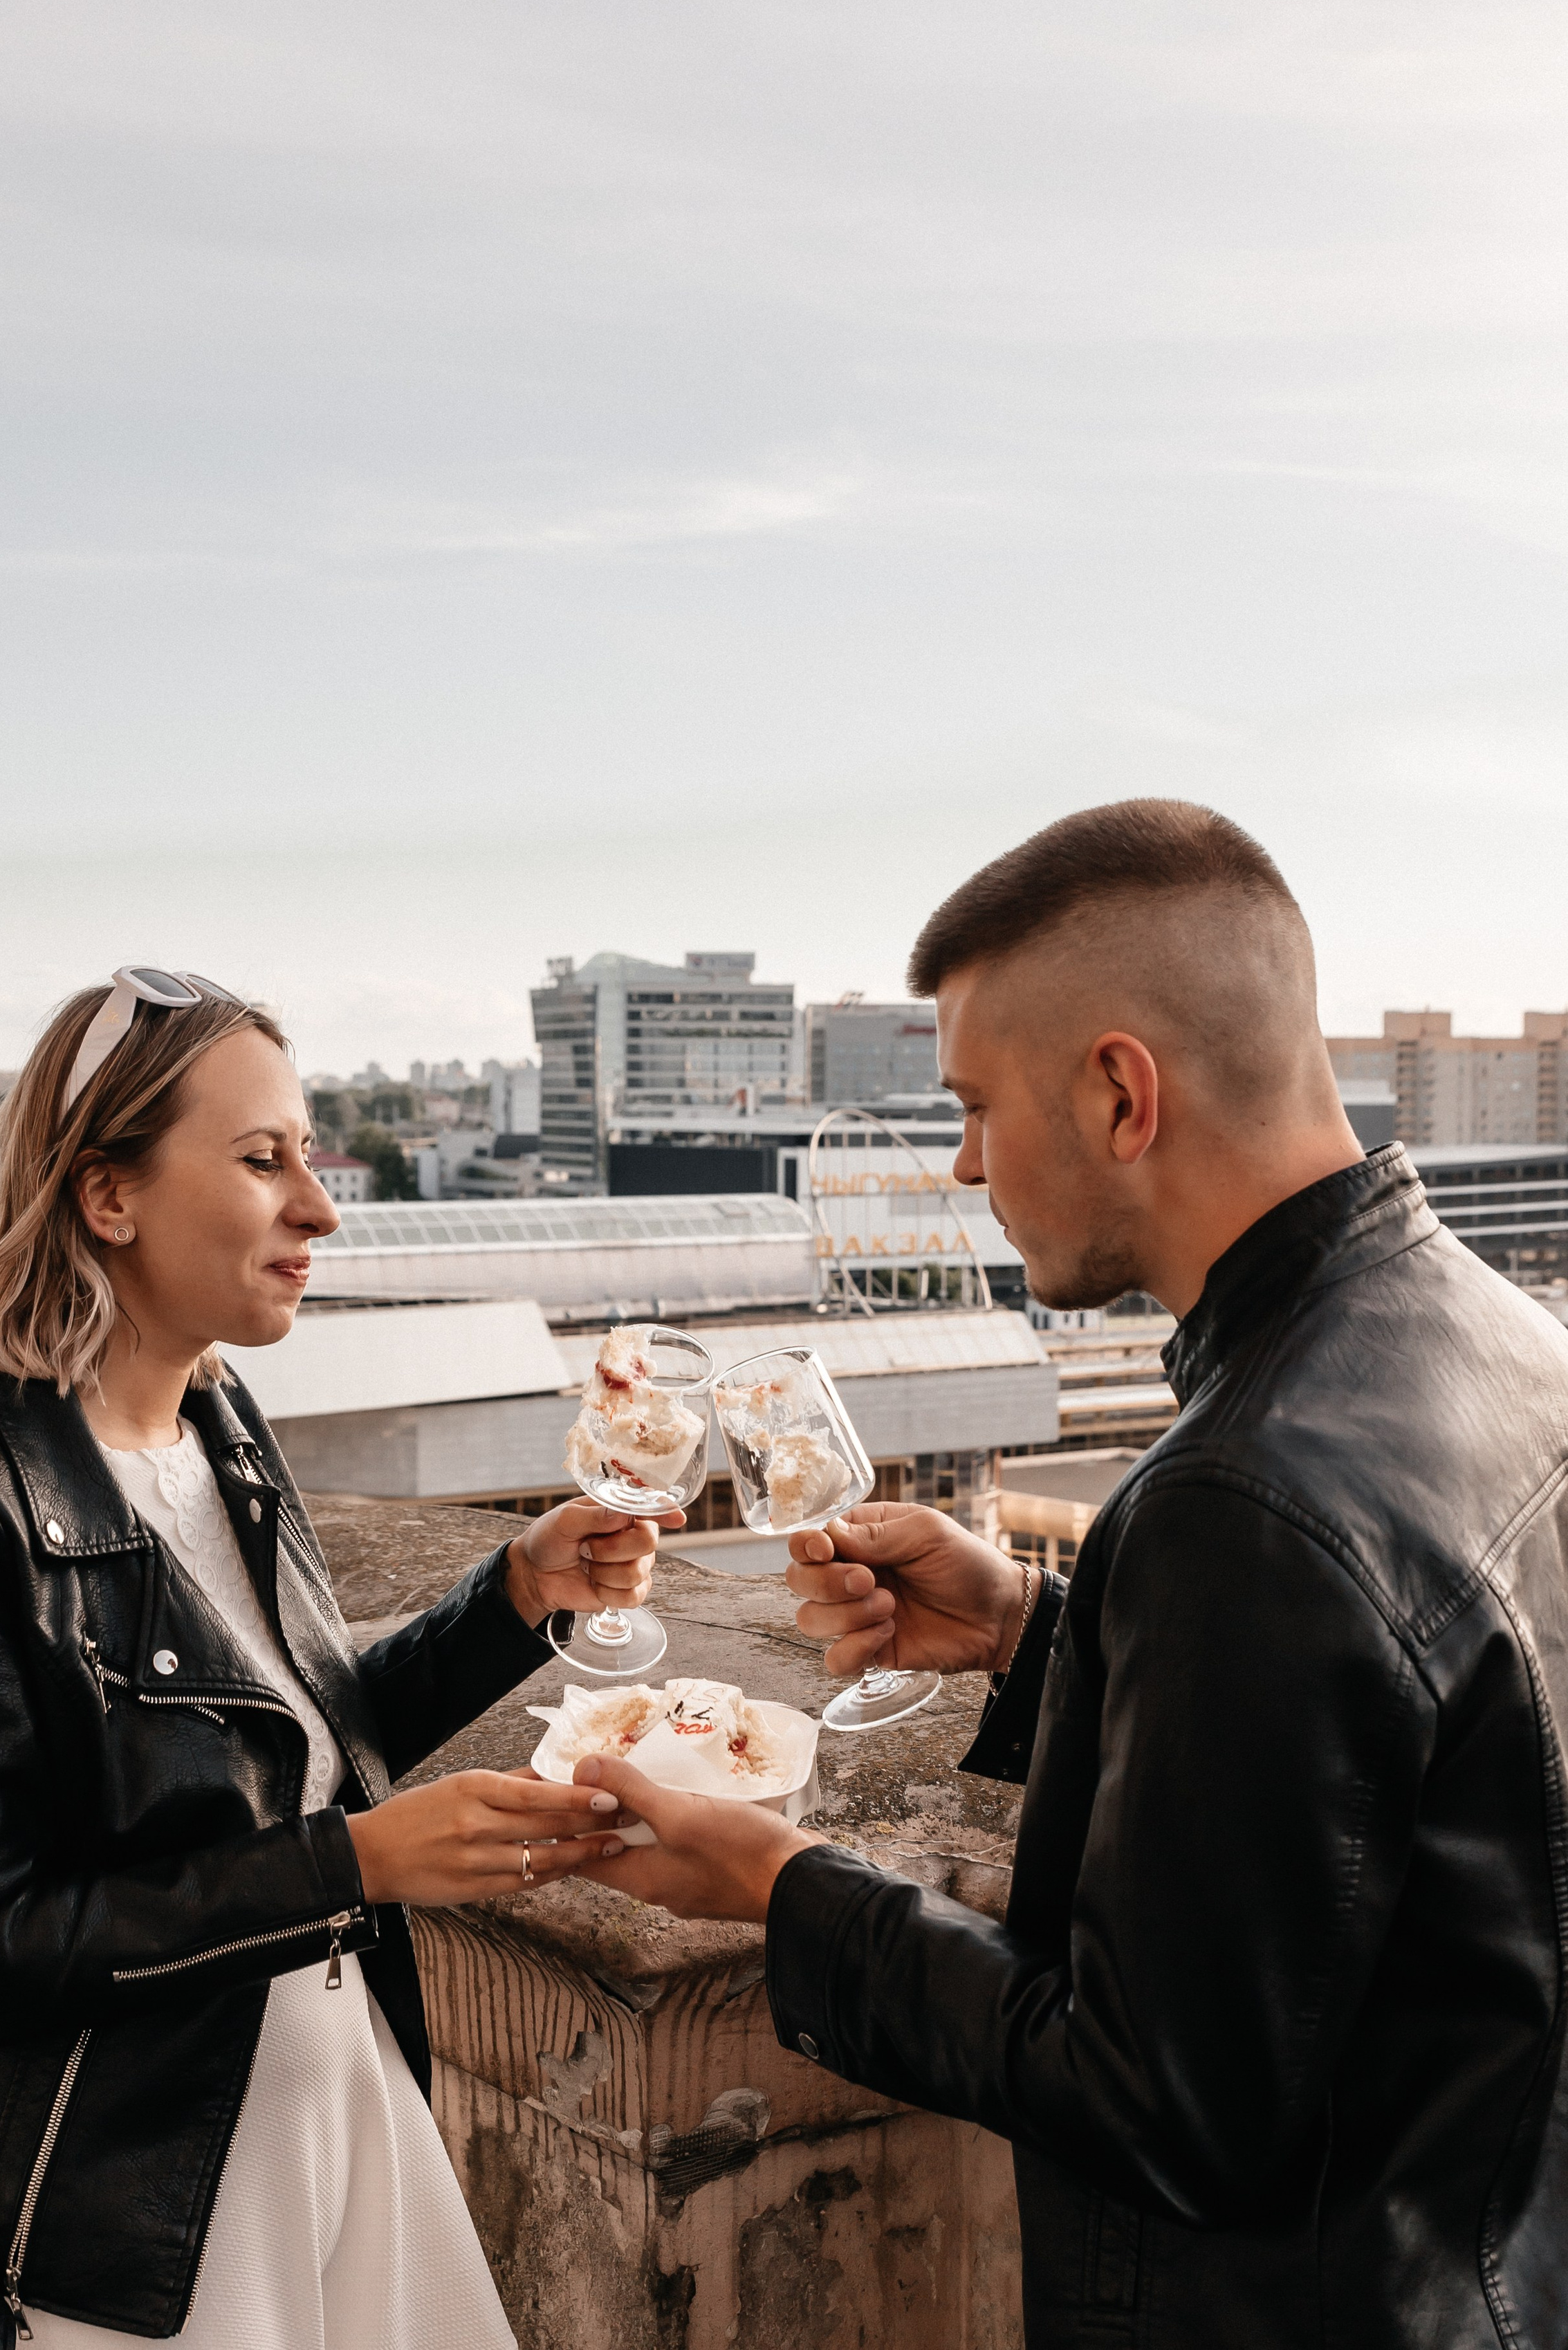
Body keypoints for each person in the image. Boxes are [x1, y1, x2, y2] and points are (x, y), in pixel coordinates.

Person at [573, 800, 1568, 2349]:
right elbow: (1377, 1825)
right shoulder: (1500, 1339)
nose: (965, 1161)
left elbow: (1158, 2098)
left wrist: (780, 1892)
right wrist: (1047, 1638)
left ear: (1118, 1092)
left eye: (974, 1103)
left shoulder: (1244, 1498)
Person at [0, 971, 652, 2350]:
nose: (319, 1206)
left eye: (309, 1155)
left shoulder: (220, 1425)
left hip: (331, 2101)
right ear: (109, 1195)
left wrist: (514, 1599)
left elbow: (286, 1750)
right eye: (265, 1160)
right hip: (127, 2201)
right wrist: (358, 1866)